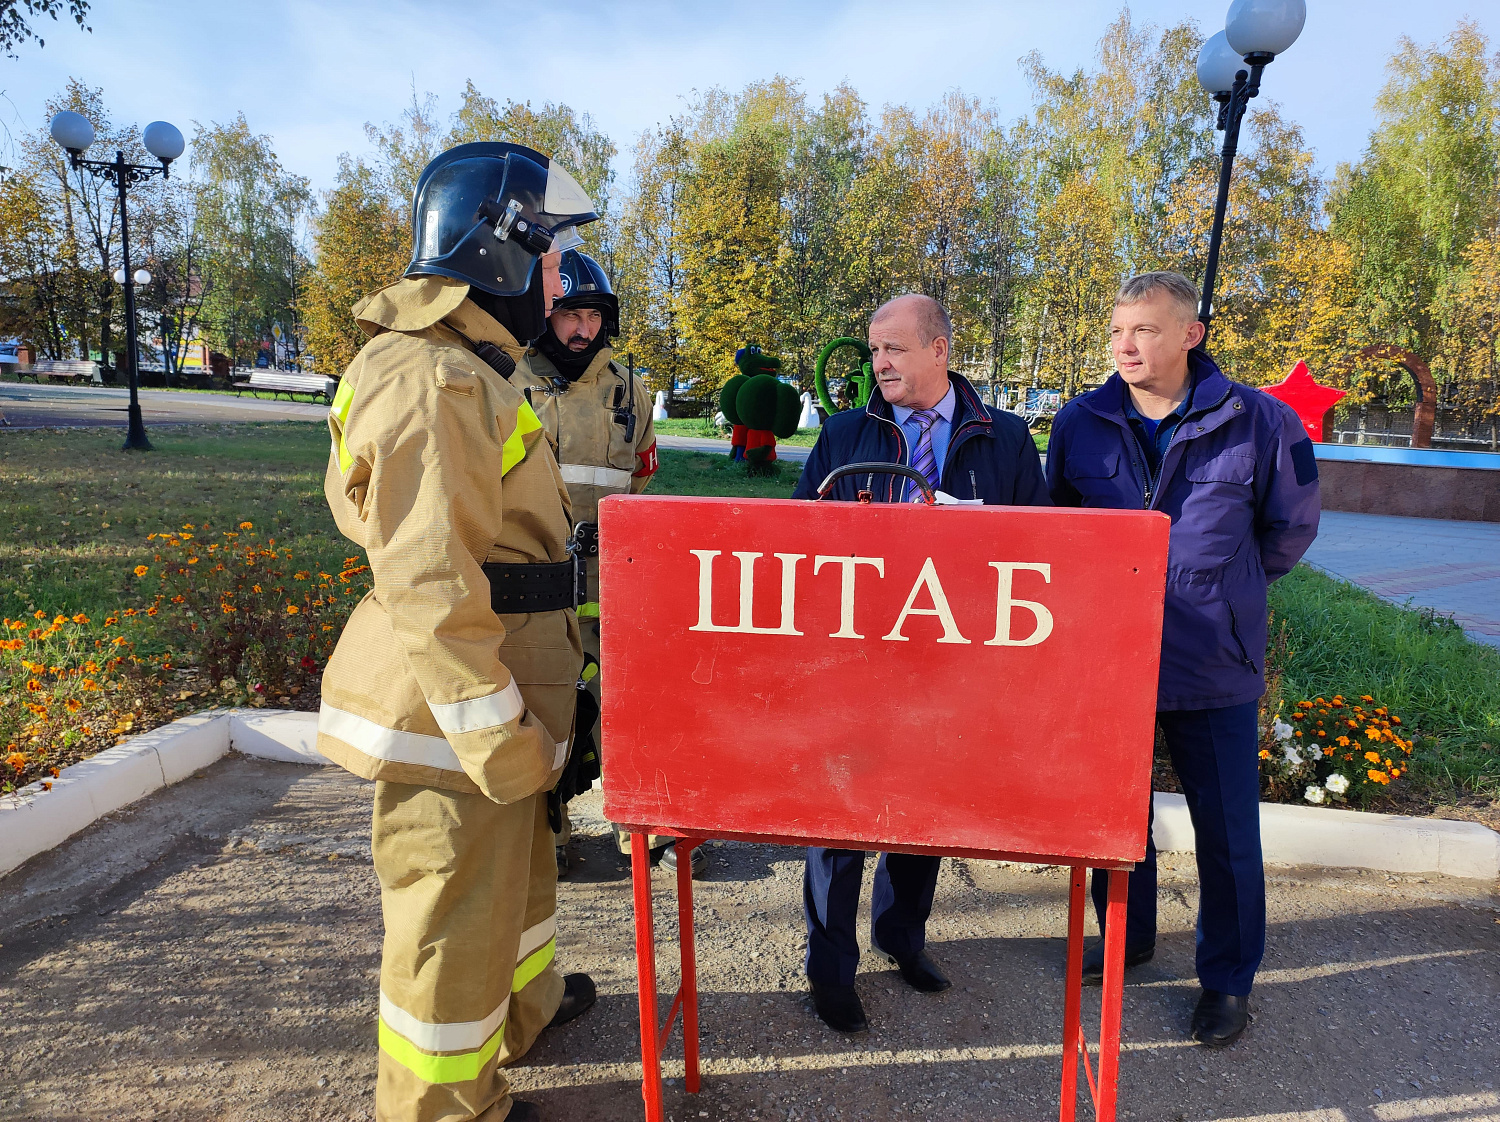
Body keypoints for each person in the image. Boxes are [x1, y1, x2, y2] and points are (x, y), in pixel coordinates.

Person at [317, 141, 604, 1122]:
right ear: (501, 251)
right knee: (448, 925)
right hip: (456, 720)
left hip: (495, 697)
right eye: (551, 253)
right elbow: (433, 578)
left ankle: (522, 1016)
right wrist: (496, 738)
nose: (561, 280)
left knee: (507, 899)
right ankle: (441, 1106)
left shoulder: (466, 367)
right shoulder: (433, 377)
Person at [1046, 271, 1320, 1048]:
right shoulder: (1082, 421)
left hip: (1212, 657)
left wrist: (1225, 589)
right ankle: (1128, 939)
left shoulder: (1260, 421)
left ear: (1190, 335)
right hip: (1109, 658)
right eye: (1116, 331)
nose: (1126, 346)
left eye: (1146, 330)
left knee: (1227, 832)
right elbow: (1058, 532)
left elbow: (1289, 528)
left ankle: (1227, 980)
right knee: (1114, 820)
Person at [791, 293, 1050, 1033]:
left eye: (895, 349)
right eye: (875, 350)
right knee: (839, 815)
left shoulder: (1002, 437)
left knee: (922, 808)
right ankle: (829, 969)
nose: (880, 364)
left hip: (951, 663)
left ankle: (901, 938)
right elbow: (800, 537)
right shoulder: (846, 432)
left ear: (940, 349)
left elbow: (1037, 547)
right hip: (854, 657)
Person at [505, 250, 692, 878]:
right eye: (567, 314)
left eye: (591, 315)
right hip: (535, 580)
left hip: (612, 581)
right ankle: (544, 835)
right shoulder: (505, 381)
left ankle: (637, 828)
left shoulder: (626, 388)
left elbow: (642, 475)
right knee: (543, 701)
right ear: (543, 317)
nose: (582, 328)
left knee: (624, 701)